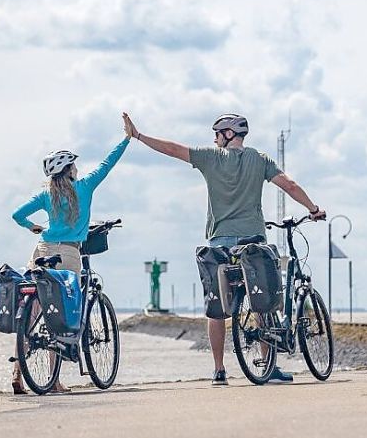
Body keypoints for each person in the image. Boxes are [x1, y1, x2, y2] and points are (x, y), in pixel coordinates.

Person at [123, 112, 326, 386]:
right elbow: (289, 185)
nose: (214, 138)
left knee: (217, 307)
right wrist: (312, 209)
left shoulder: (211, 158)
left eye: (217, 133)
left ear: (227, 134)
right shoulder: (260, 159)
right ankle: (267, 366)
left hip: (219, 244)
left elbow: (172, 149)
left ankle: (219, 370)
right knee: (261, 299)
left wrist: (138, 135)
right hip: (253, 242)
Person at [10, 121, 131, 394]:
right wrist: (127, 139)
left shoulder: (46, 195)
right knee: (61, 313)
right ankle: (54, 382)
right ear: (69, 170)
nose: (77, 169)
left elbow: (17, 215)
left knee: (34, 313)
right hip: (68, 253)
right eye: (73, 166)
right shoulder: (85, 187)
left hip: (41, 250)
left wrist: (34, 228)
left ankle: (18, 372)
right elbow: (107, 164)